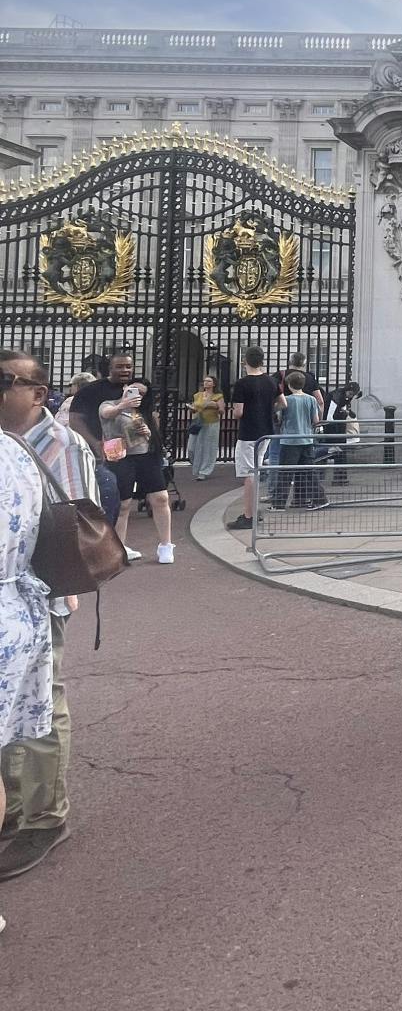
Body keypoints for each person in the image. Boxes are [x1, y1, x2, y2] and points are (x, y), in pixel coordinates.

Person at [0, 351, 97, 882]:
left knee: (43, 698)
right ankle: (9, 804)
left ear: (37, 393)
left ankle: (43, 815)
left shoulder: (61, 443)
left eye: (4, 382)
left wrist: (65, 586)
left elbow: (77, 516)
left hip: (40, 592)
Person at [0, 432, 52, 935]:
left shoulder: (30, 445)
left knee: (45, 719)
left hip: (17, 602)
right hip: (19, 604)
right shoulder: (16, 447)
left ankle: (43, 813)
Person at [69, 353, 173, 564]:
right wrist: (94, 443)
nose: (125, 370)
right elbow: (79, 418)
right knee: (123, 503)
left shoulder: (139, 388)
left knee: (160, 497)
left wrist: (150, 431)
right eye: (120, 366)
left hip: (145, 450)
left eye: (128, 366)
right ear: (109, 368)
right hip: (116, 452)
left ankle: (166, 545)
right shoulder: (96, 392)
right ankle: (118, 548)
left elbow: (148, 414)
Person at [228, 346, 280, 531]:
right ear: (262, 361)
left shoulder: (242, 384)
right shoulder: (272, 381)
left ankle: (248, 515)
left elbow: (238, 412)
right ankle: (253, 511)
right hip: (266, 430)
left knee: (248, 474)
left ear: (245, 362)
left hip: (248, 432)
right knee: (256, 471)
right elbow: (283, 403)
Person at [271, 371, 322, 510]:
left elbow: (280, 419)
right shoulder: (311, 399)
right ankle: (320, 499)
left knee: (285, 473)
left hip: (289, 440)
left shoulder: (287, 400)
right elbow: (316, 420)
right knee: (309, 472)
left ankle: (279, 503)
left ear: (289, 384)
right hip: (307, 439)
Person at [187, 375, 225, 480]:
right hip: (198, 423)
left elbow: (222, 410)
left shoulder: (218, 396)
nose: (206, 383)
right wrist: (192, 409)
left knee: (208, 448)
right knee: (192, 448)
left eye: (209, 381)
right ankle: (196, 466)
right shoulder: (197, 395)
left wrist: (215, 405)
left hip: (211, 423)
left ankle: (204, 471)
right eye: (205, 381)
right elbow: (194, 408)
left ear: (214, 384)